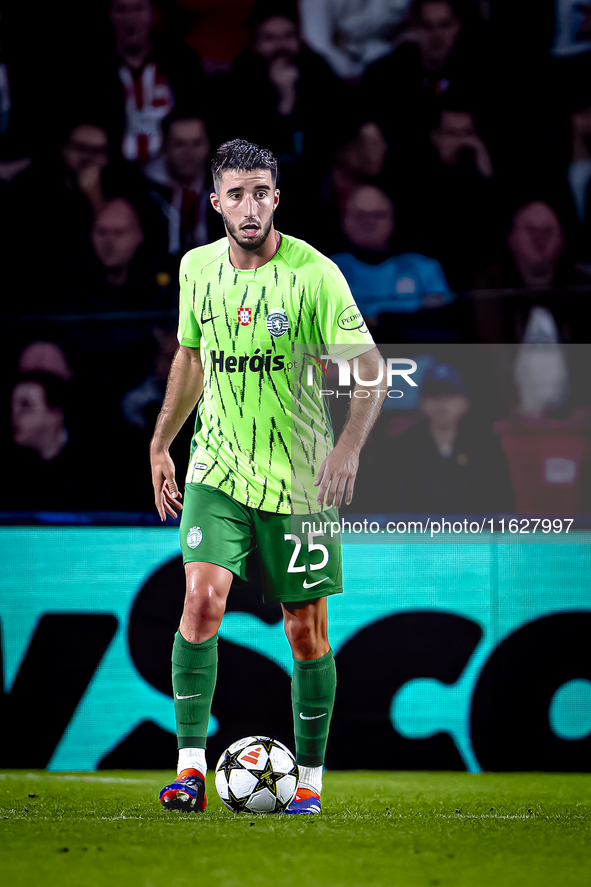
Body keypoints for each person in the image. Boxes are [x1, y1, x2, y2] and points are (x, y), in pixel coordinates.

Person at [150, 139, 385, 815]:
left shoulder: (313, 274)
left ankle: (307, 782)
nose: (249, 206)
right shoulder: (196, 269)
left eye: (261, 192)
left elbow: (368, 372)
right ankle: (189, 768)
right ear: (215, 202)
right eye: (236, 194)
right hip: (216, 466)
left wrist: (347, 449)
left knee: (304, 627)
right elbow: (191, 359)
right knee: (200, 599)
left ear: (274, 198)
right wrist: (162, 442)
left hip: (302, 479)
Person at [330, 184, 455, 338]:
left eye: (379, 214)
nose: (369, 221)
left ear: (393, 218)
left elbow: (444, 324)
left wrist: (381, 320)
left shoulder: (425, 268)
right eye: (360, 214)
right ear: (344, 219)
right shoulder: (322, 271)